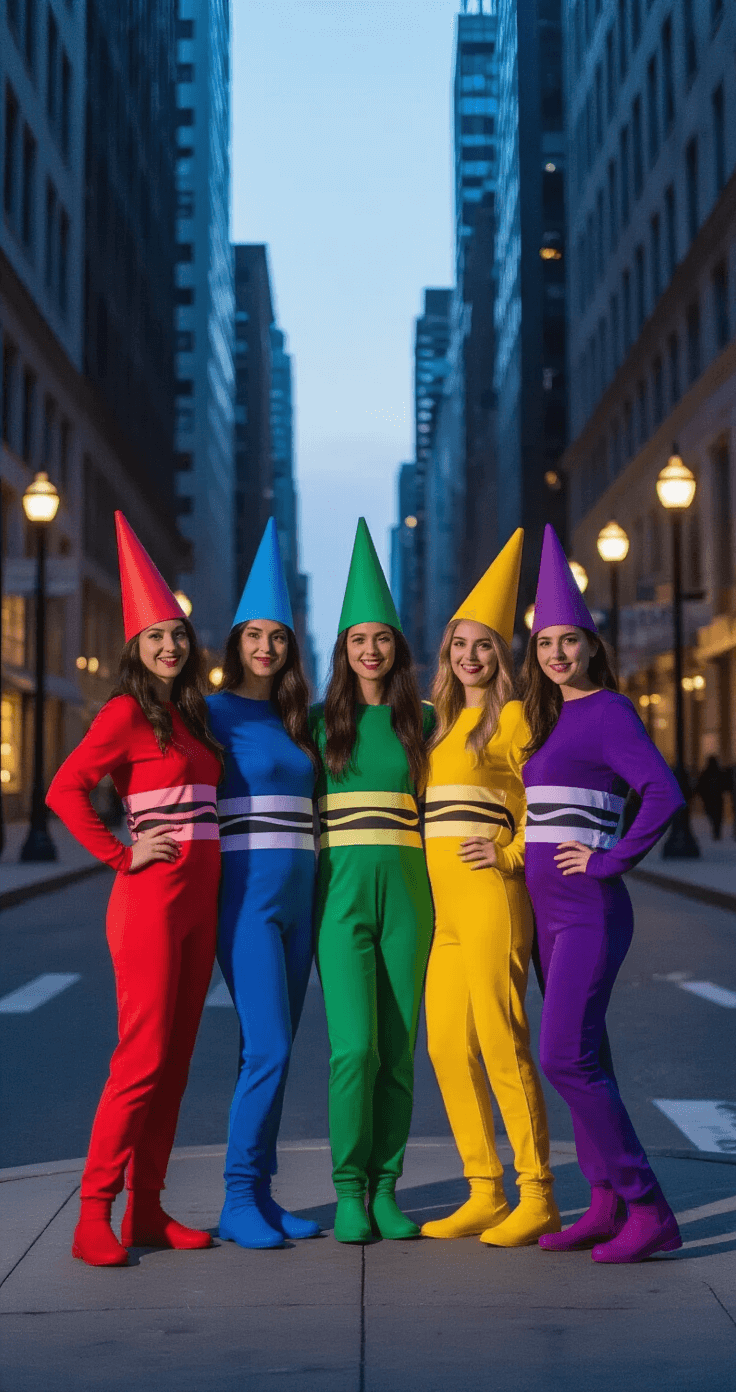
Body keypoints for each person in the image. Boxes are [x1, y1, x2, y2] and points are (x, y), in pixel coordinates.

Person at [46, 514, 222, 1267]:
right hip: (150, 901)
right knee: (141, 1059)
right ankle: (94, 1214)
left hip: (200, 906)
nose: (170, 645)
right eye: (156, 637)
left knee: (176, 1062)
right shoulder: (124, 712)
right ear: (135, 647)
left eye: (178, 634)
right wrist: (121, 855)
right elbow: (64, 790)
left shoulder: (192, 714)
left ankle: (147, 1210)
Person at [521, 525, 684, 1264]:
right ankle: (605, 1203)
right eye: (545, 643)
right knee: (590, 1058)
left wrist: (611, 859)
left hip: (589, 910)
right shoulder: (548, 716)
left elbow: (663, 792)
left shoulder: (609, 710)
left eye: (569, 641)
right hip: (546, 915)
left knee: (563, 1057)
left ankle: (648, 1207)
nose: (557, 653)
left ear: (591, 645)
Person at [421, 531, 559, 1248]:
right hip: (444, 911)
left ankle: (538, 1194)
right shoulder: (439, 723)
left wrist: (508, 852)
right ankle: (484, 1189)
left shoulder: (516, 717)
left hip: (491, 899)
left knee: (503, 1041)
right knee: (447, 1045)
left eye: (484, 646)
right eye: (460, 645)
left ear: (502, 655)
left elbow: (547, 803)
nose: (470, 656)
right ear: (446, 651)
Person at [311, 519, 434, 1244]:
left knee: (398, 1050)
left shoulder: (427, 721)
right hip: (340, 898)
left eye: (381, 638)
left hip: (411, 898)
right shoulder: (317, 724)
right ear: (343, 650)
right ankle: (348, 1190)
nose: (370, 649)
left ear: (397, 647)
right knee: (353, 1049)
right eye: (358, 639)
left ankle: (388, 1188)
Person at [206, 520, 321, 1249]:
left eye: (278, 637)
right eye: (255, 635)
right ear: (237, 642)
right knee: (268, 1049)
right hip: (246, 899)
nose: (267, 647)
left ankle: (265, 1196)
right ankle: (237, 1196)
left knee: (275, 1048)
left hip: (302, 902)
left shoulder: (299, 718)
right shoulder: (210, 712)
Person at [695, 755, 725, 840]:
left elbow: (700, 786)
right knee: (717, 816)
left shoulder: (706, 773)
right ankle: (717, 831)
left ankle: (716, 831)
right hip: (716, 799)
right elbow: (725, 785)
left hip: (709, 799)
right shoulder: (718, 772)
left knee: (713, 815)